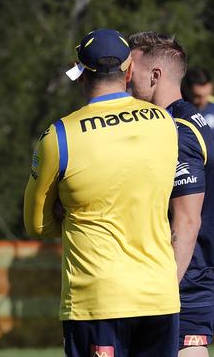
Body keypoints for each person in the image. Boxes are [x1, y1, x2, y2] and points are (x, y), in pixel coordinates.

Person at [23, 29, 180, 356]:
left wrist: (70, 216)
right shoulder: (165, 123)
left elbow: (37, 225)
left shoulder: (58, 136)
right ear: (129, 72)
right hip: (159, 295)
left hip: (97, 299)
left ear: (80, 75)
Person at [128, 31, 214, 357]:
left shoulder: (177, 130)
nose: (124, 80)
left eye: (130, 71)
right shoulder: (184, 120)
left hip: (183, 279)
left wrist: (164, 292)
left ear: (155, 75)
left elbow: (187, 220)